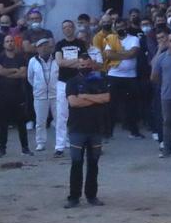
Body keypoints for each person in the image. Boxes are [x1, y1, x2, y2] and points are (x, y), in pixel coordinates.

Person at [64, 54, 110, 208]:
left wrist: (85, 96)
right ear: (78, 65)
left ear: (92, 64)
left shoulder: (100, 80)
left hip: (95, 128)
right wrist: (94, 99)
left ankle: (91, 196)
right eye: (82, 65)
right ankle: (74, 197)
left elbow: (106, 98)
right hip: (77, 128)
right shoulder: (71, 82)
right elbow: (74, 102)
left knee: (93, 164)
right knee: (76, 163)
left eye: (87, 65)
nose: (84, 67)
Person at [104, 19, 143, 139]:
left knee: (131, 105)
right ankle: (108, 133)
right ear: (115, 28)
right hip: (114, 75)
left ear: (126, 26)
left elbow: (133, 53)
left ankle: (134, 131)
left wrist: (118, 54)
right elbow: (109, 55)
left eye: (122, 25)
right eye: (118, 26)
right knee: (111, 105)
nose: (121, 28)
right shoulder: (111, 39)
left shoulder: (134, 39)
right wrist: (125, 54)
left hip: (130, 76)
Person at [0, 35, 30, 156]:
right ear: (4, 44)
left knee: (21, 123)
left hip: (19, 94)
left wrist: (6, 72)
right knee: (3, 124)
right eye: (7, 41)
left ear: (15, 43)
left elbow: (23, 74)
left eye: (11, 41)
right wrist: (15, 70)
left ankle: (25, 148)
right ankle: (2, 149)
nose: (10, 43)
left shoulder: (21, 58)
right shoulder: (0, 57)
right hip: (3, 95)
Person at [54, 20, 86, 156]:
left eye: (69, 27)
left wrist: (72, 63)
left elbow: (84, 62)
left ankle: (81, 143)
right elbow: (60, 62)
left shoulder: (80, 44)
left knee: (80, 113)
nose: (67, 29)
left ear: (73, 28)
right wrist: (76, 62)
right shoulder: (59, 45)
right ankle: (59, 146)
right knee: (62, 114)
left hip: (78, 82)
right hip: (63, 83)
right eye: (64, 27)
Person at [27, 38, 58, 152]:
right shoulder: (32, 61)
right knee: (40, 121)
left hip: (56, 95)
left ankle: (63, 141)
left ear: (51, 47)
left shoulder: (56, 59)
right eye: (41, 46)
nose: (44, 48)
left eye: (46, 45)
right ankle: (40, 143)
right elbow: (30, 78)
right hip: (40, 96)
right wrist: (38, 87)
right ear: (37, 49)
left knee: (59, 120)